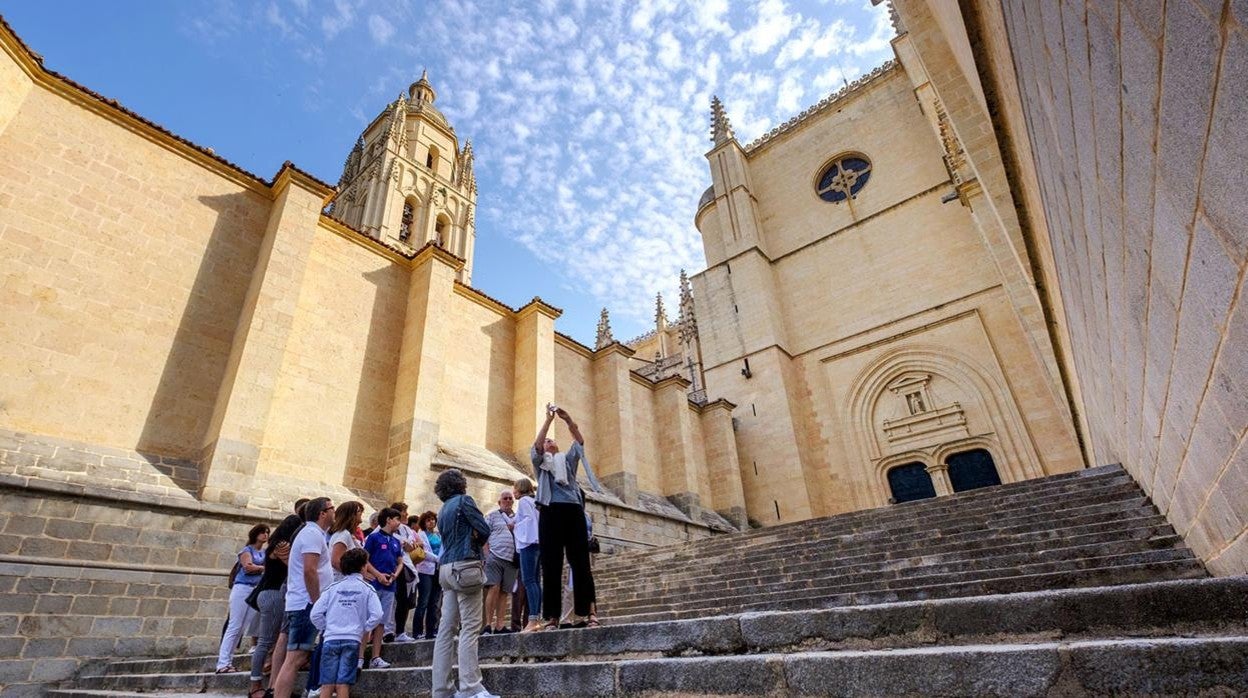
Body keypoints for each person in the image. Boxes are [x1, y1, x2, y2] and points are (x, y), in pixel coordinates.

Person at [431, 468, 497, 698]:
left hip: (446, 569)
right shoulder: (463, 501)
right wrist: (475, 540)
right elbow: (484, 528)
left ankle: (441, 690)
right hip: (466, 566)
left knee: (445, 631)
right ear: (461, 484)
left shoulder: (442, 509)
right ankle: (471, 687)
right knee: (470, 627)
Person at [531, 404, 598, 629]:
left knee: (580, 563)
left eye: (552, 440)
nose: (549, 442)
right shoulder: (541, 465)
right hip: (550, 511)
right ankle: (551, 617)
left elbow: (579, 442)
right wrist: (548, 421)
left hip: (572, 510)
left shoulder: (567, 461)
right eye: (547, 441)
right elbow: (537, 446)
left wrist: (568, 420)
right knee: (551, 565)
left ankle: (588, 614)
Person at [272, 497, 335, 698]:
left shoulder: (311, 533)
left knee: (295, 657)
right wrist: (318, 603)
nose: (335, 511)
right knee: (295, 659)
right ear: (322, 513)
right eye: (332, 508)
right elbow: (310, 570)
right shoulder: (311, 534)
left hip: (301, 603)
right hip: (306, 604)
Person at [310, 548, 383, 698]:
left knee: (327, 683)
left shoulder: (332, 588)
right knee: (343, 682)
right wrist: (364, 628)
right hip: (352, 638)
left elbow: (315, 614)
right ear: (363, 567)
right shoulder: (367, 589)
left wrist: (326, 627)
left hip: (330, 639)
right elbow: (378, 614)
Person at [247, 515, 302, 698]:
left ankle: (273, 686)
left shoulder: (275, 544)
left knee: (273, 641)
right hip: (274, 594)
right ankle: (255, 687)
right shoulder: (282, 546)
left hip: (271, 594)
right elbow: (294, 567)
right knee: (265, 642)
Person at [217, 523, 269, 673]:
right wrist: (263, 569)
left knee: (243, 626)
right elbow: (248, 567)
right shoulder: (247, 550)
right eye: (262, 532)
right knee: (234, 625)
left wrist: (258, 568)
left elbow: (257, 568)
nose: (265, 535)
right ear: (255, 534)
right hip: (242, 588)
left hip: (255, 590)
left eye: (266, 532)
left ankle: (228, 661)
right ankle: (222, 663)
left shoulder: (264, 553)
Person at [363, 508, 402, 669]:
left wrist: (395, 575)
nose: (398, 523)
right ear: (388, 520)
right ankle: (360, 656)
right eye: (396, 519)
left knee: (381, 622)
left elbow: (400, 561)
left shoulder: (396, 541)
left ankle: (375, 657)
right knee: (368, 620)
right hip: (374, 584)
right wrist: (377, 574)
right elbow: (365, 559)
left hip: (390, 585)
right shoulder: (373, 538)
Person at [482, 488, 518, 634]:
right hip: (495, 557)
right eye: (505, 498)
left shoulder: (517, 518)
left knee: (504, 592)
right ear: (499, 502)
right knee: (493, 588)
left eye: (510, 498)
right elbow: (484, 535)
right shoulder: (491, 516)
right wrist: (486, 554)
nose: (508, 500)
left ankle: (500, 625)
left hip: (511, 560)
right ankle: (488, 624)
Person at [513, 477, 542, 632]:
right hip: (537, 544)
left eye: (515, 488)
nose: (513, 492)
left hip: (528, 543)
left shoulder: (524, 501)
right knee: (535, 581)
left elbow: (528, 521)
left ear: (521, 488)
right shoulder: (535, 501)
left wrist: (515, 526)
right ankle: (536, 618)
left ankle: (532, 620)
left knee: (529, 580)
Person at [389, 502, 420, 643]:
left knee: (404, 601)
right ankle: (388, 631)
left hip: (407, 567)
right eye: (404, 511)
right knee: (391, 601)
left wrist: (410, 545)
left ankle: (399, 631)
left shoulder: (406, 529)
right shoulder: (382, 529)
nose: (406, 514)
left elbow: (413, 546)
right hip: (391, 567)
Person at [412, 511, 442, 639]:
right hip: (425, 571)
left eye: (433, 520)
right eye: (428, 520)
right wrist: (438, 559)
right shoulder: (421, 535)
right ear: (424, 522)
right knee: (423, 601)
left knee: (434, 602)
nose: (432, 522)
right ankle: (417, 631)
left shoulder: (438, 536)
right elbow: (423, 552)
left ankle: (431, 631)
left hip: (437, 571)